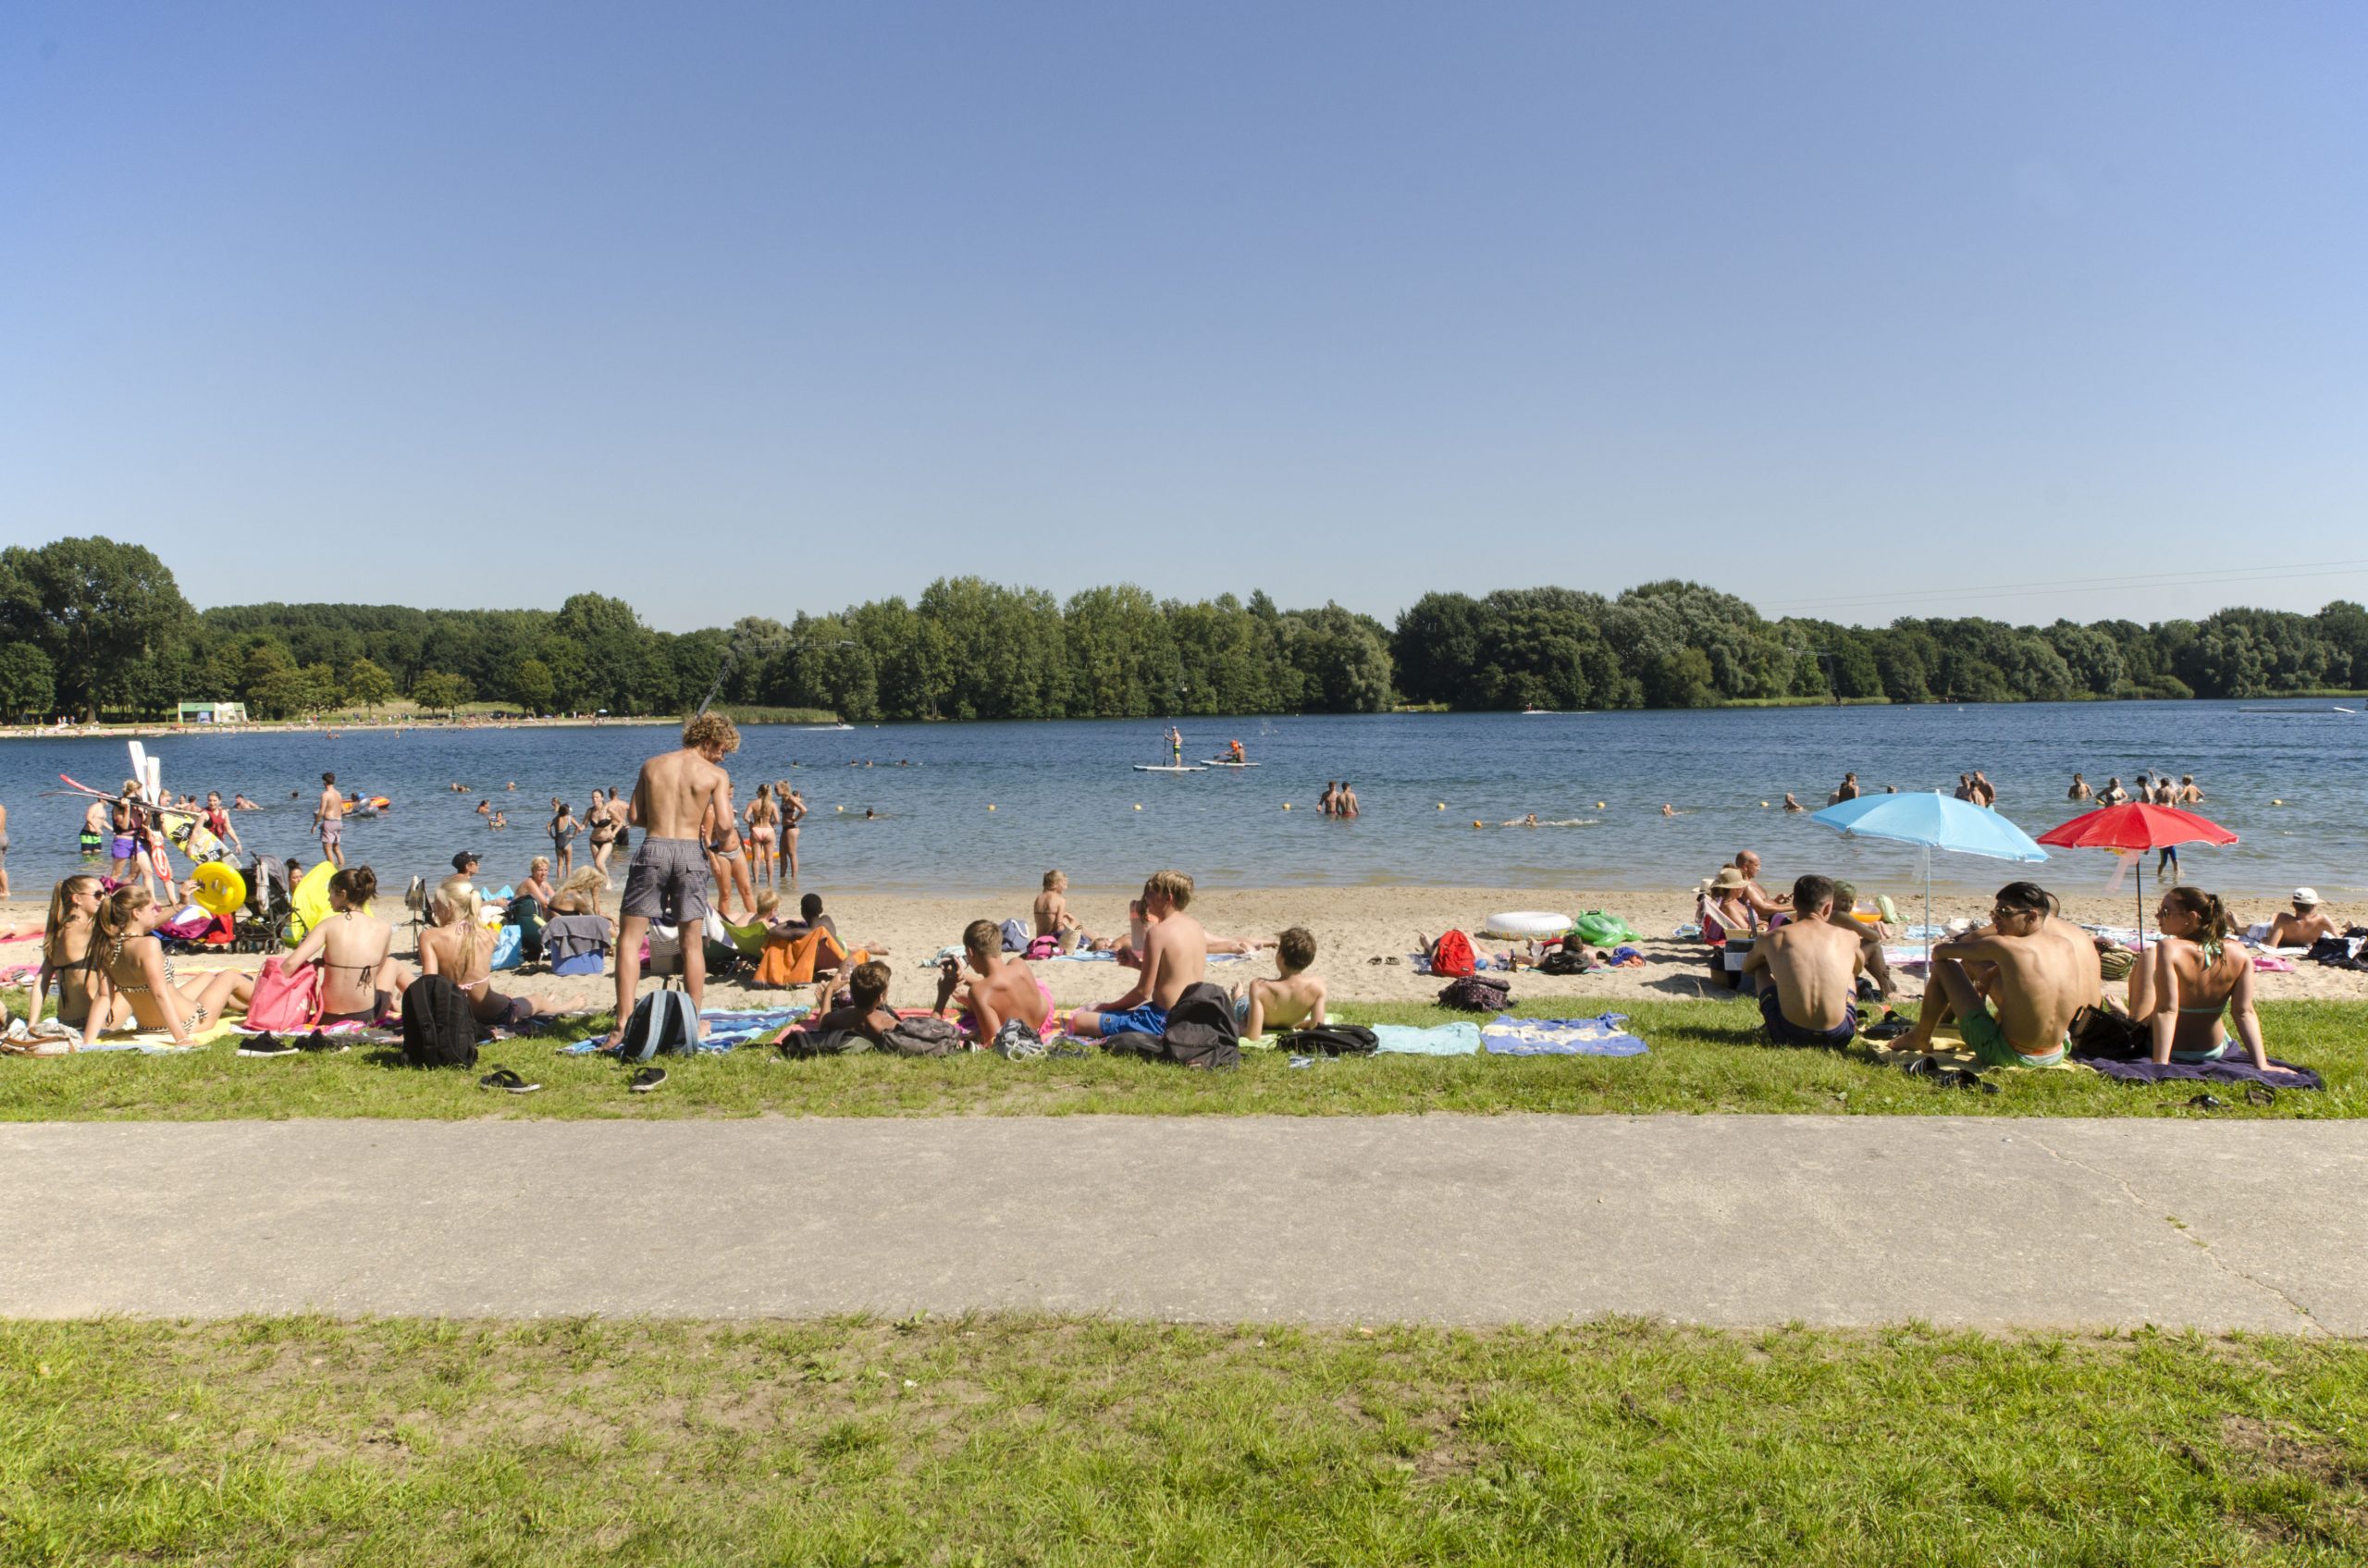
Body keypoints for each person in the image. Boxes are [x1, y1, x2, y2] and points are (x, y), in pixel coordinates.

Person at [609, 712, 739, 1045]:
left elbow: (635, 816)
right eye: (723, 749)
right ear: (709, 739)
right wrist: (722, 839)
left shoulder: (652, 765)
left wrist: (664, 819)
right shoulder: (715, 774)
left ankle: (623, 1023)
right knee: (692, 943)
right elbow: (724, 826)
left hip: (653, 848)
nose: (724, 756)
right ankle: (692, 1021)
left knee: (629, 938)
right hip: (689, 853)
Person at [1898, 882, 2102, 1068]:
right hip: (2057, 1052)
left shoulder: (2003, 945)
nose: (1996, 920)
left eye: (2004, 913)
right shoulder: (2063, 945)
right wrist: (1992, 973)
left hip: (2010, 1056)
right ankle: (1934, 1027)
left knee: (1946, 967)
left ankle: (1921, 1036)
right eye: (1994, 913)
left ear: (2031, 916)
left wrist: (1985, 961)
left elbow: (1939, 953)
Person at [82, 885, 254, 1050]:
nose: (156, 913)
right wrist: (181, 1037)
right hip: (189, 1022)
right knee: (229, 975)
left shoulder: (106, 946)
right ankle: (274, 1006)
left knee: (207, 977)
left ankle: (247, 1007)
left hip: (147, 1027)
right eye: (152, 909)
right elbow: (159, 994)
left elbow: (104, 996)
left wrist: (88, 1040)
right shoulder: (148, 944)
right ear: (136, 913)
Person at [2128, 887, 2267, 1070]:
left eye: (2165, 911)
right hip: (2213, 1049)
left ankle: (2126, 1015)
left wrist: (2160, 1065)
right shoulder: (2239, 951)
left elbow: (2166, 1010)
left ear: (2191, 918)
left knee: (2147, 956)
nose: (2157, 915)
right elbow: (2244, 1012)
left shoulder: (2168, 948)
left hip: (2168, 1048)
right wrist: (2262, 1065)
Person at [1067, 870, 1206, 1040]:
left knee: (1080, 1021)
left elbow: (1142, 993)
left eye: (1152, 892)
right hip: (1192, 1015)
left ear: (1168, 898)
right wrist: (1137, 964)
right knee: (1129, 1010)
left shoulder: (1158, 933)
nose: (1146, 896)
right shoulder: (1196, 927)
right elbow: (1174, 975)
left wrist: (1106, 1006)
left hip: (1162, 1020)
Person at [1740, 875, 1866, 1047]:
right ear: (1828, 907)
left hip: (1787, 1034)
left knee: (1760, 965)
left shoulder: (1774, 937)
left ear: (1794, 905)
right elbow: (1858, 968)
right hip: (1839, 1036)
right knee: (1849, 970)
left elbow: (1747, 967)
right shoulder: (1849, 937)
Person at [419, 876, 560, 1026]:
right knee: (536, 1000)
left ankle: (558, 1005)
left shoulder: (429, 937)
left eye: (437, 903)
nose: (434, 907)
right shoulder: (490, 935)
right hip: (492, 1012)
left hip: (453, 1012)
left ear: (450, 906)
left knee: (515, 998)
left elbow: (429, 984)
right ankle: (562, 1006)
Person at [279, 867, 405, 1025]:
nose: (328, 899)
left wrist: (273, 991)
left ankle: (400, 1003)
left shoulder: (327, 925)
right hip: (366, 1015)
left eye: (330, 893)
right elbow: (378, 970)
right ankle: (422, 1002)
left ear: (343, 894)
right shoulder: (384, 928)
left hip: (328, 1015)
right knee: (392, 964)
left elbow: (290, 964)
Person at [34, 873, 130, 1039]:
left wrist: (32, 1024)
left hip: (65, 1020)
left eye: (106, 893)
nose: (104, 899)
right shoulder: (89, 929)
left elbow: (40, 980)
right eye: (98, 895)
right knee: (137, 987)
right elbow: (137, 928)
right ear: (77, 899)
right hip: (92, 1022)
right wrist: (177, 906)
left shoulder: (59, 931)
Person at [933, 918, 1052, 1039]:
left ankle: (969, 1002)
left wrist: (943, 996)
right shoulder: (1019, 964)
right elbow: (999, 982)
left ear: (970, 952)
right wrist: (963, 976)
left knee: (986, 993)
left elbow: (993, 1040)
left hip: (1020, 1033)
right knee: (998, 987)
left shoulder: (978, 992)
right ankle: (968, 998)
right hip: (1043, 1017)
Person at [1828, 880, 1904, 1032]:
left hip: (1832, 965)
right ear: (1831, 899)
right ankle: (1887, 990)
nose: (1847, 905)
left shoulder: (1826, 915)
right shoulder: (1839, 915)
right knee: (1873, 946)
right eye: (1843, 900)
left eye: (1850, 901)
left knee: (1866, 944)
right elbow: (1875, 937)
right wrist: (1869, 929)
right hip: (1839, 969)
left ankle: (1889, 983)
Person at [1239, 926, 1326, 1037]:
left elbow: (1253, 1036)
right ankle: (1300, 1024)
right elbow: (1318, 1030)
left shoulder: (1259, 986)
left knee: (1242, 1002)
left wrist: (1240, 1028)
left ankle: (1237, 996)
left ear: (1281, 957)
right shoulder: (1318, 987)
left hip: (1260, 1021)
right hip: (1290, 1023)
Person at [794, 959, 899, 1049]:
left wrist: (829, 990)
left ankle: (839, 997)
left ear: (852, 992)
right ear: (881, 997)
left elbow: (822, 1023)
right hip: (870, 1005)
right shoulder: (889, 1024)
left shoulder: (839, 1019)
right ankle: (844, 995)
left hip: (848, 1012)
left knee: (849, 960)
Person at [704, 781, 755, 921]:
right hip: (721, 855)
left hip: (737, 851)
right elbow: (707, 838)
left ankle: (757, 920)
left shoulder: (730, 807)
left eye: (732, 793)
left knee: (747, 890)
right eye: (729, 792)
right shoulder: (710, 811)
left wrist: (744, 848)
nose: (731, 795)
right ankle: (724, 926)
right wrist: (713, 860)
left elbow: (735, 830)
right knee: (726, 894)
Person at [1034, 870, 1094, 952]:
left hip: (1040, 940)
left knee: (1067, 918)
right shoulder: (1060, 900)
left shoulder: (1039, 898)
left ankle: (1095, 937)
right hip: (1053, 942)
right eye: (1064, 883)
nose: (1066, 887)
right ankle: (1096, 938)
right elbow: (1059, 928)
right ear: (1055, 884)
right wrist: (1071, 923)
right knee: (1074, 922)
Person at [2263, 889, 2337, 949]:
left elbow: (2271, 946)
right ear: (2315, 905)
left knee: (2274, 916)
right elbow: (2339, 939)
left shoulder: (2283, 918)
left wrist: (2263, 939)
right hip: (2306, 943)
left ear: (2293, 904)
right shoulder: (2322, 919)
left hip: (2271, 932)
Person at [1728, 851, 1790, 920]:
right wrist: (1793, 907)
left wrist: (1776, 901)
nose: (1759, 869)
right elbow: (1762, 910)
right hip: (1766, 921)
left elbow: (1759, 903)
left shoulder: (1751, 882)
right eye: (1756, 865)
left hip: (1771, 916)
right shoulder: (1744, 886)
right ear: (1745, 867)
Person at [745, 784, 780, 891]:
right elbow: (777, 820)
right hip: (768, 830)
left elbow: (745, 817)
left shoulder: (753, 803)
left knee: (756, 859)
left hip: (756, 830)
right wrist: (772, 824)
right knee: (769, 860)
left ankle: (756, 882)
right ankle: (770, 883)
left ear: (760, 792)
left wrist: (751, 823)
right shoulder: (772, 804)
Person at [313, 772, 346, 868]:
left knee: (327, 849)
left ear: (324, 782)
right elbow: (343, 809)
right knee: (337, 849)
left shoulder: (325, 795)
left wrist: (314, 825)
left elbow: (321, 812)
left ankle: (332, 872)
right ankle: (341, 869)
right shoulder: (339, 794)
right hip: (339, 822)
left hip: (329, 823)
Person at [778, 784, 806, 882]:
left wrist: (795, 820)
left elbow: (804, 810)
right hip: (784, 829)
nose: (775, 791)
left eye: (777, 789)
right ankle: (782, 879)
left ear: (784, 789)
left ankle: (794, 879)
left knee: (792, 854)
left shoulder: (791, 798)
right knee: (782, 854)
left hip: (791, 828)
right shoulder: (784, 799)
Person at [548, 800, 581, 878]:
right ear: (567, 811)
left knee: (559, 865)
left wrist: (552, 836)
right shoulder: (569, 818)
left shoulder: (555, 819)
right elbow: (578, 827)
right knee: (568, 864)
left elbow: (548, 826)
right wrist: (574, 835)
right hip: (567, 843)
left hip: (558, 844)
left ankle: (559, 882)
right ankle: (567, 881)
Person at [203, 792, 242, 857]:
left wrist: (238, 843)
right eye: (210, 800)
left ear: (220, 801)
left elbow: (229, 829)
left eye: (214, 801)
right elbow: (196, 831)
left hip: (219, 844)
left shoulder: (224, 813)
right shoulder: (204, 814)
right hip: (205, 845)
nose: (212, 803)